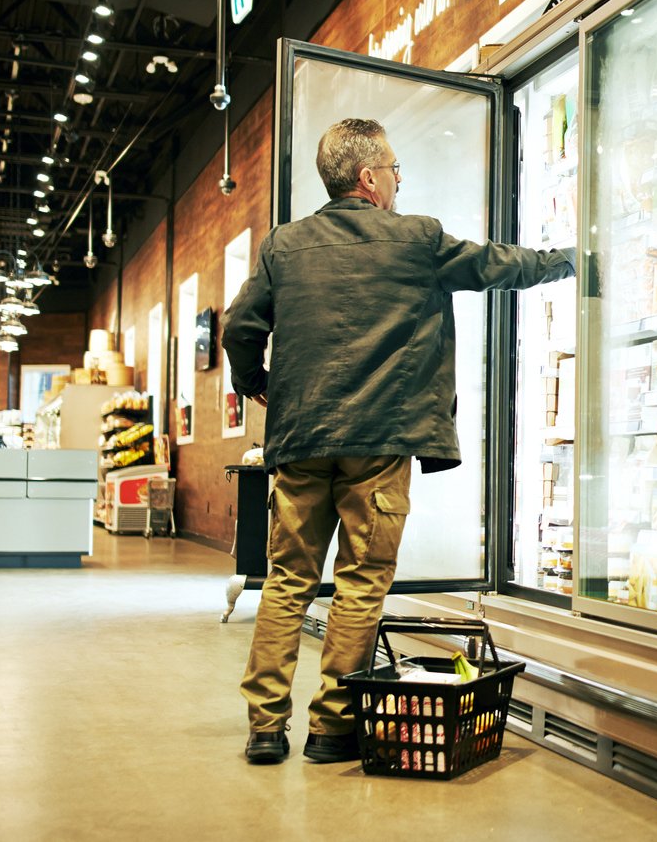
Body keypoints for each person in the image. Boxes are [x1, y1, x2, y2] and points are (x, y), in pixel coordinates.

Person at [221, 118, 575, 765]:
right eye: (394, 169)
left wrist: (257, 383)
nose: (399, 179)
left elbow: (239, 327)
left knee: (286, 581)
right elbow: (500, 266)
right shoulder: (417, 239)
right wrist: (573, 261)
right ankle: (332, 729)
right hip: (379, 443)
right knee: (360, 583)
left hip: (301, 440)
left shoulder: (284, 246)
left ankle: (265, 728)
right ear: (368, 178)